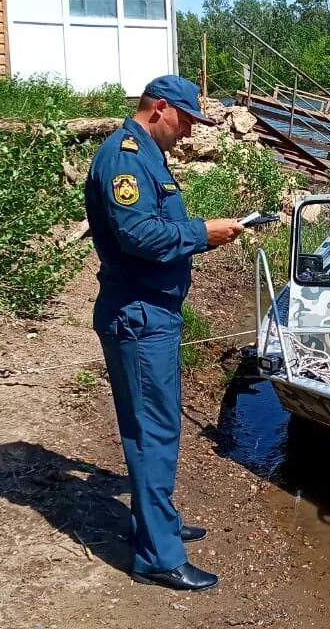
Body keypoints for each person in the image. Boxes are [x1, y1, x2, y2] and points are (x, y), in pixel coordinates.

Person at [84, 75, 245, 592]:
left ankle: (160, 526)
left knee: (160, 428)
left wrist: (204, 233)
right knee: (151, 434)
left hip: (155, 314)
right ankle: (157, 556)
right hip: (138, 316)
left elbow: (153, 224)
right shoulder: (126, 157)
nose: (190, 131)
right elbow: (136, 235)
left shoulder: (146, 152)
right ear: (158, 109)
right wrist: (204, 232)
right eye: (186, 120)